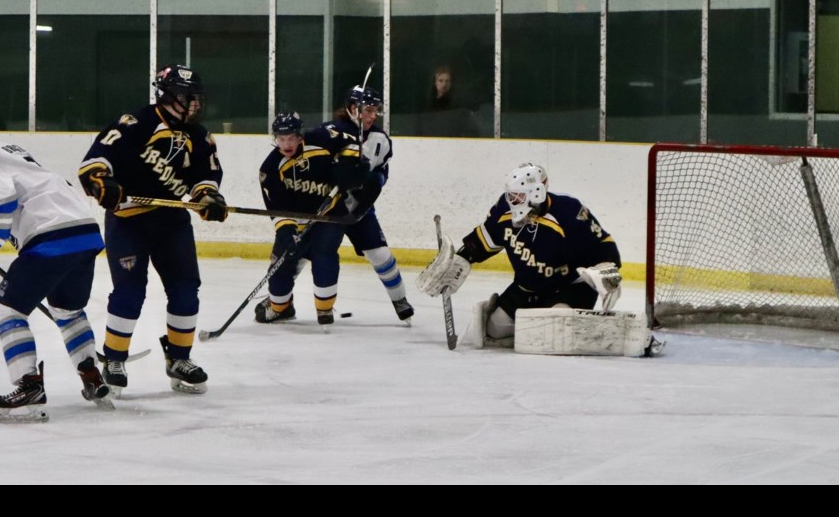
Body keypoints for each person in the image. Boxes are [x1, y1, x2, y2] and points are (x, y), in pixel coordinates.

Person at [0, 107, 110, 424]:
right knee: (68, 310)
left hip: (50, 236)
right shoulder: (15, 152)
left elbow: (2, 200)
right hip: (86, 231)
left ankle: (28, 387)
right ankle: (92, 375)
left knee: (7, 311)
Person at [78, 64, 228, 394]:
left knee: (186, 290)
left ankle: (179, 358)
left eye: (197, 99)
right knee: (130, 293)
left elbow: (206, 176)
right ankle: (114, 358)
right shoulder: (133, 124)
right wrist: (101, 183)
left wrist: (209, 197)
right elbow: (94, 163)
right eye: (189, 98)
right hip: (128, 222)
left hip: (172, 224)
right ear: (169, 97)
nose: (196, 105)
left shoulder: (200, 136)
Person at [416, 163, 626, 343]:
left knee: (559, 319)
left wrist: (607, 273)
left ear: (536, 193)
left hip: (569, 287)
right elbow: (486, 238)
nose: (511, 200)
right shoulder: (504, 208)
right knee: (495, 329)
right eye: (510, 194)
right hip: (527, 288)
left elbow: (604, 246)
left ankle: (564, 329)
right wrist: (461, 259)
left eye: (517, 196)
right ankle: (539, 331)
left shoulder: (569, 213)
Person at [255, 111, 359, 326]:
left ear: (300, 135)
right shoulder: (270, 168)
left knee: (324, 256)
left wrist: (348, 165)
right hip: (295, 223)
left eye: (291, 138)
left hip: (329, 216)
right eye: (281, 139)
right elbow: (277, 207)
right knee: (280, 270)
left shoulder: (322, 139)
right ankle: (280, 308)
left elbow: (352, 140)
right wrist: (287, 232)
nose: (286, 144)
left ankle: (324, 310)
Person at [322, 85, 414, 321]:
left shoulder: (380, 139)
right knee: (306, 253)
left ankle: (400, 299)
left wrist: (372, 182)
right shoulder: (331, 132)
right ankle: (279, 303)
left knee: (381, 255)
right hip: (329, 207)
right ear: (353, 109)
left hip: (360, 207)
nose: (374, 116)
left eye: (376, 110)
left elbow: (382, 172)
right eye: (369, 110)